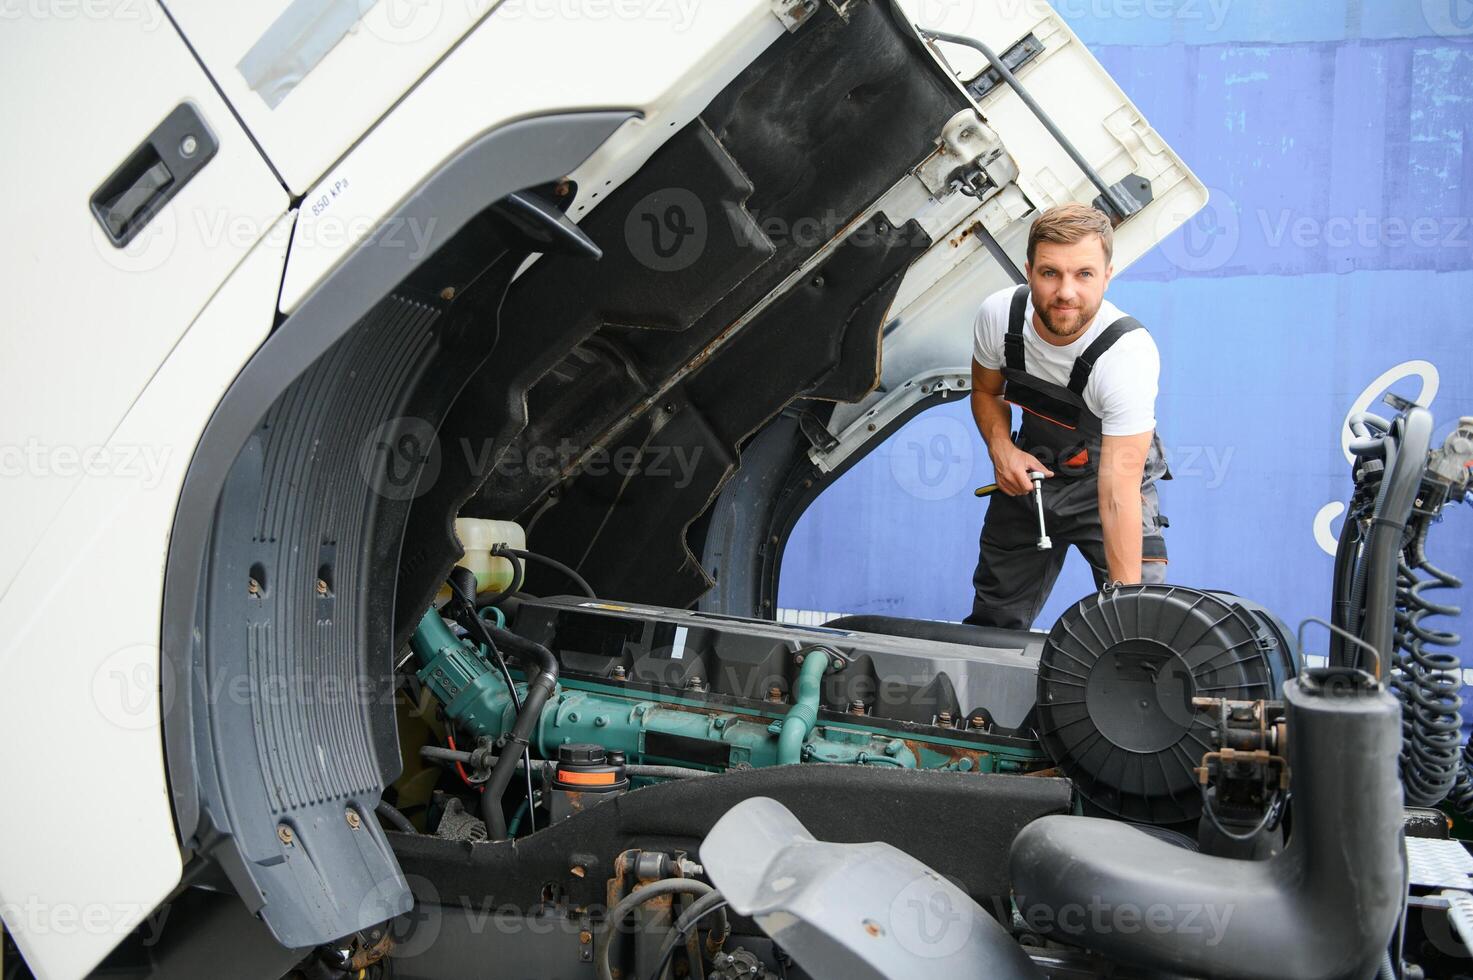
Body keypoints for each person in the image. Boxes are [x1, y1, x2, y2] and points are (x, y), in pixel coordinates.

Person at [965, 203, 1169, 629]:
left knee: (1138, 621)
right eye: (1050, 273)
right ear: (1028, 270)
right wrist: (1002, 450)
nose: (1066, 293)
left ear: (1108, 275)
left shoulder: (1125, 355)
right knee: (993, 622)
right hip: (1032, 473)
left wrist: (1128, 620)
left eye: (1085, 274)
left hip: (1110, 482)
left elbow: (1117, 494)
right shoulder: (998, 317)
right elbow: (986, 391)